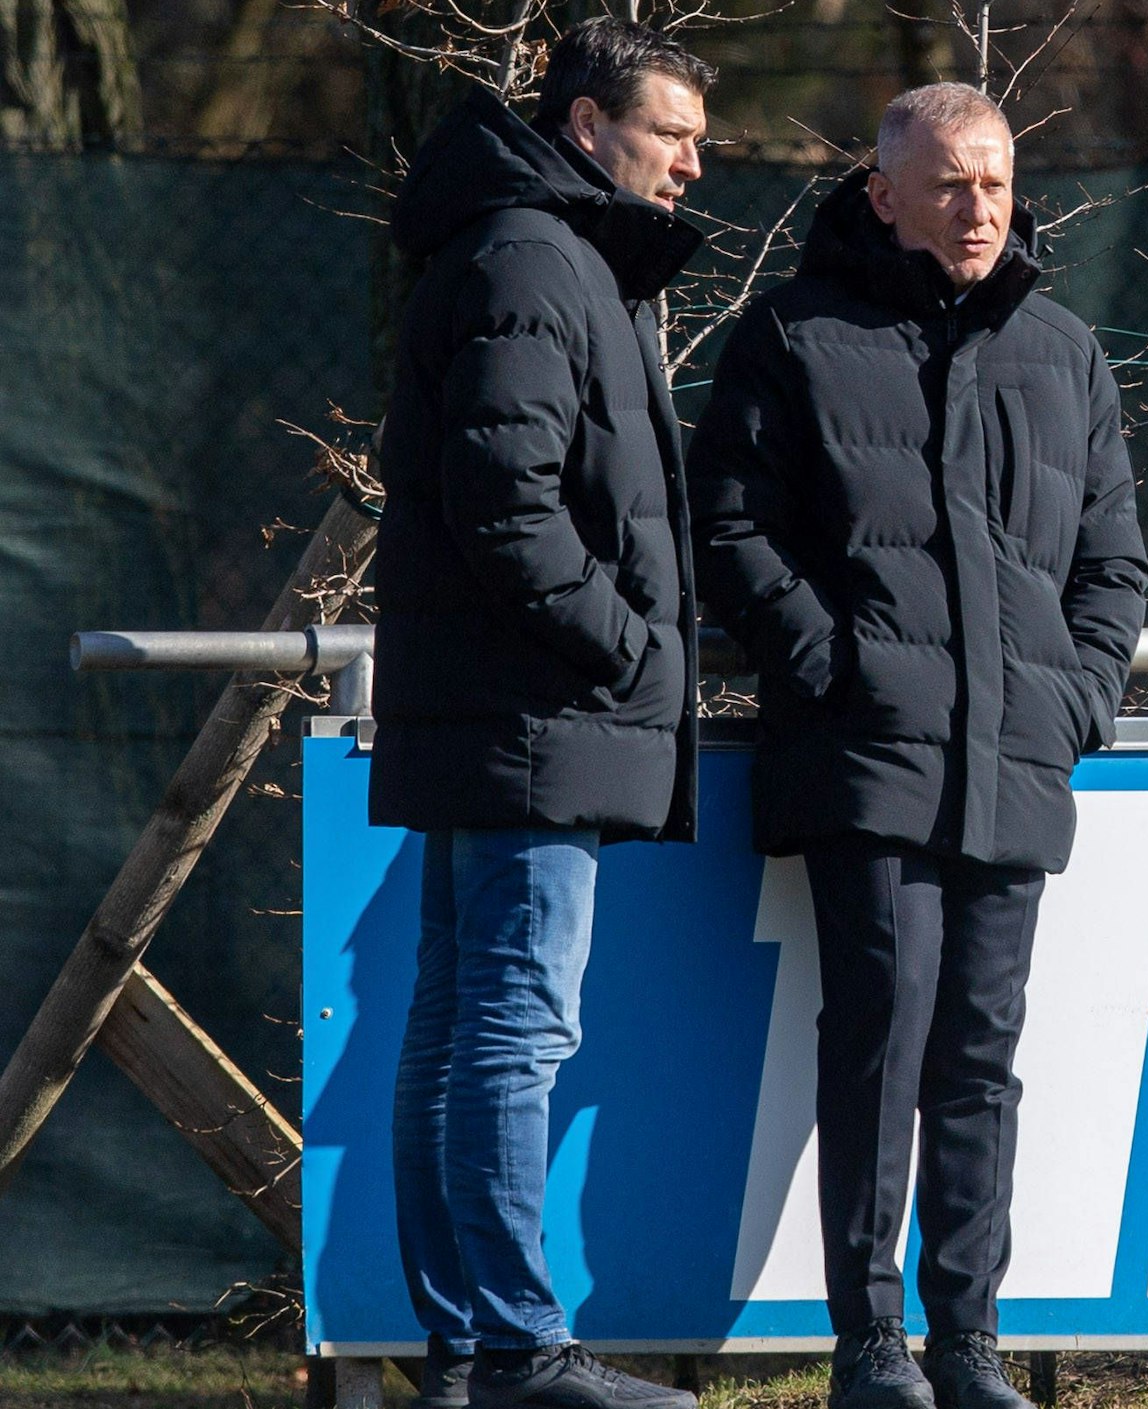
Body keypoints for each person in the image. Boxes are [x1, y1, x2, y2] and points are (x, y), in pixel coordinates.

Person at [689, 82, 1148, 1409]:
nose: (980, 206)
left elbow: (1114, 559)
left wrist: (1076, 700)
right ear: (881, 194)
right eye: (950, 183)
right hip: (866, 756)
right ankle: (869, 1344)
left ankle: (969, 1342)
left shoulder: (1065, 351)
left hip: (1014, 760)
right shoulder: (793, 335)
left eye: (997, 180)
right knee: (879, 1039)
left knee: (979, 1057)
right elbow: (728, 523)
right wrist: (831, 667)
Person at [367, 19, 712, 1409]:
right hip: (532, 716)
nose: (695, 160)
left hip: (506, 709)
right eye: (668, 132)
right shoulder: (533, 258)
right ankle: (515, 1347)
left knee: (462, 1023)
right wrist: (627, 646)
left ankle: (462, 1352)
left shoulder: (539, 253)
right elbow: (506, 503)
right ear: (585, 127)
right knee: (510, 1026)